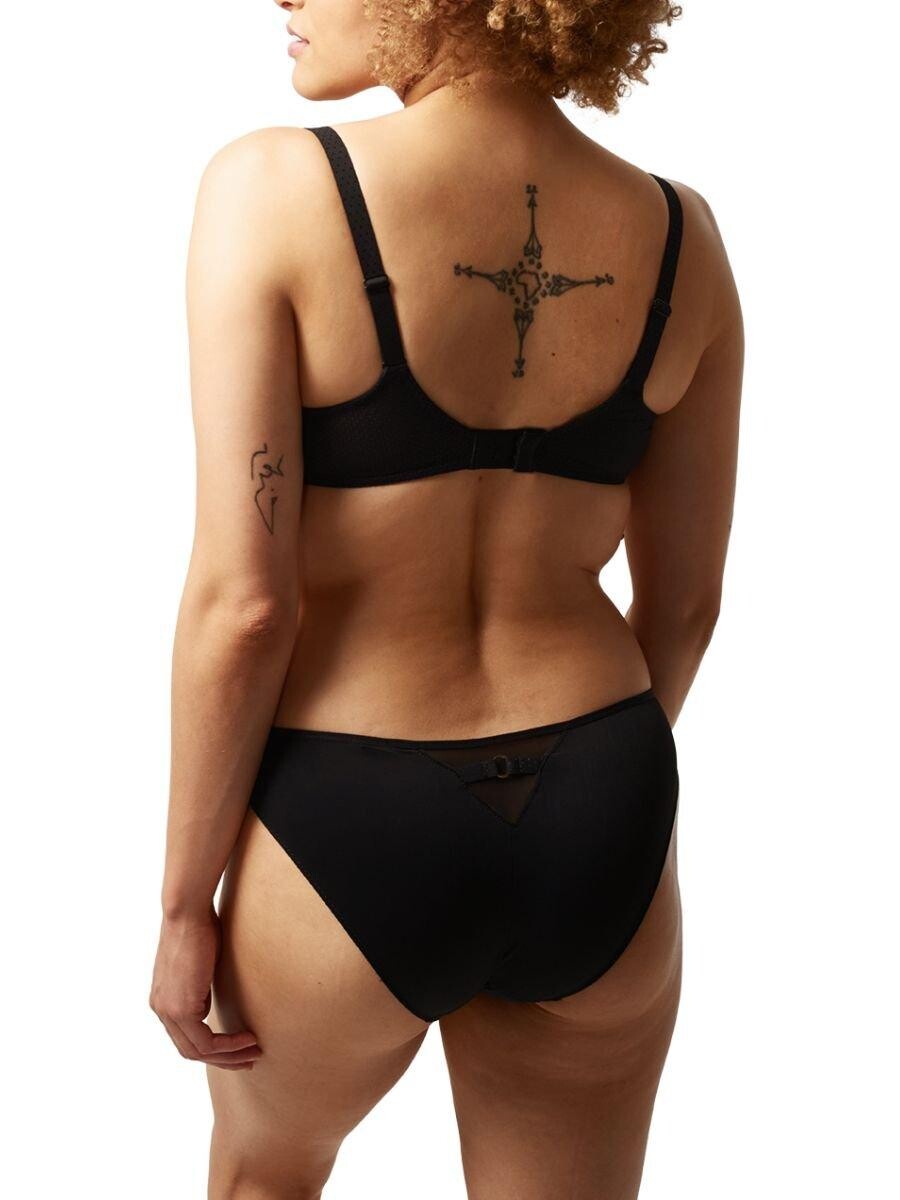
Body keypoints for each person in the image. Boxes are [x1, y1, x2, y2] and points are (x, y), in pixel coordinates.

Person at [149, 0, 743, 1195]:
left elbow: (246, 608)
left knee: (267, 1175)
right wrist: (579, 800)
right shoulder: (682, 235)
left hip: (349, 806)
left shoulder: (274, 190)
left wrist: (181, 908)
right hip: (602, 798)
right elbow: (686, 603)